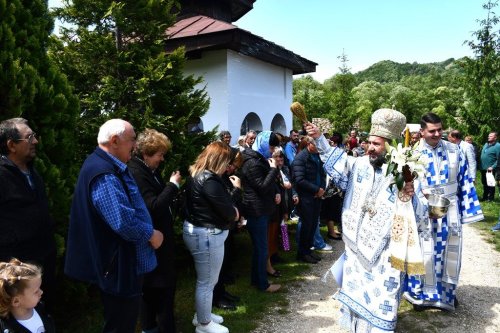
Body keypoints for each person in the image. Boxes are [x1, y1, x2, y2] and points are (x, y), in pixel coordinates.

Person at [307, 108, 417, 332]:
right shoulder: (359, 164)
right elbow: (335, 160)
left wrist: (409, 192)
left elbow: (417, 210)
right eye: (369, 143)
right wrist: (319, 138)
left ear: (390, 146)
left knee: (383, 297)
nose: (370, 148)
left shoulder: (405, 170)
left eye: (377, 144)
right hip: (357, 249)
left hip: (384, 249)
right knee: (356, 293)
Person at [65, 119, 163, 333]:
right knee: (120, 324)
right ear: (115, 140)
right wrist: (151, 234)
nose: (135, 145)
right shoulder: (104, 173)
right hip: (118, 266)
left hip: (118, 262)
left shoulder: (103, 164)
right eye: (132, 140)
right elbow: (123, 222)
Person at [404, 112, 484, 312]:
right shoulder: (411, 154)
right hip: (423, 212)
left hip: (451, 212)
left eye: (440, 129)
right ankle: (421, 296)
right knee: (424, 253)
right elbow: (408, 184)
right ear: (422, 132)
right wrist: (422, 203)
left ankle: (447, 294)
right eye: (432, 131)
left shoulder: (455, 150)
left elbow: (464, 179)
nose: (437, 133)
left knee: (449, 252)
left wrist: (469, 209)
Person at [183, 142, 240, 333]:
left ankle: (201, 315)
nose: (228, 166)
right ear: (218, 160)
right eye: (226, 162)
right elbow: (228, 212)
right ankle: (204, 325)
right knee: (207, 282)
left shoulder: (196, 174)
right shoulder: (209, 180)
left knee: (207, 280)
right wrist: (235, 211)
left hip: (201, 231)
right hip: (207, 234)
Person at [0, 118, 56, 311]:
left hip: (42, 262)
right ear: (11, 145)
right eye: (29, 137)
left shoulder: (33, 173)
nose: (35, 141)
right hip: (17, 269)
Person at [128, 129, 181, 333]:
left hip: (159, 241)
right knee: (160, 290)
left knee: (153, 291)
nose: (162, 158)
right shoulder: (137, 173)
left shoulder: (148, 170)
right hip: (153, 242)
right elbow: (154, 206)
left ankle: (152, 328)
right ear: (146, 153)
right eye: (159, 154)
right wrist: (173, 186)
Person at [240, 131, 281, 293]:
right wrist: (273, 169)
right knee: (262, 248)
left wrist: (276, 190)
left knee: (260, 248)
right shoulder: (252, 162)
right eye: (271, 147)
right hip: (255, 209)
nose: (272, 151)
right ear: (264, 144)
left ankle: (256, 280)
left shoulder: (258, 158)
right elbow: (262, 187)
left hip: (261, 207)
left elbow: (267, 185)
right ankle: (262, 284)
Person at [212, 147, 244, 311]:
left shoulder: (223, 177)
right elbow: (226, 203)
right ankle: (217, 296)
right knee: (218, 264)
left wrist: (240, 216)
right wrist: (237, 189)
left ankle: (222, 291)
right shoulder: (215, 180)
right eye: (230, 164)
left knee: (226, 258)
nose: (231, 169)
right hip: (219, 225)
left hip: (229, 224)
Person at [0, 258, 55, 333]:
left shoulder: (40, 308)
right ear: (16, 301)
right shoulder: (7, 328)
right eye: (36, 292)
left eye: (40, 288)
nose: (41, 292)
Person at [479, 131, 499, 202]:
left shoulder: (498, 146)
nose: (488, 137)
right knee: (484, 183)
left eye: (490, 136)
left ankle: (490, 198)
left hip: (490, 169)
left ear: (495, 137)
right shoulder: (486, 144)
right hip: (483, 168)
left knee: (490, 183)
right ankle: (484, 197)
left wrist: (493, 167)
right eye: (488, 136)